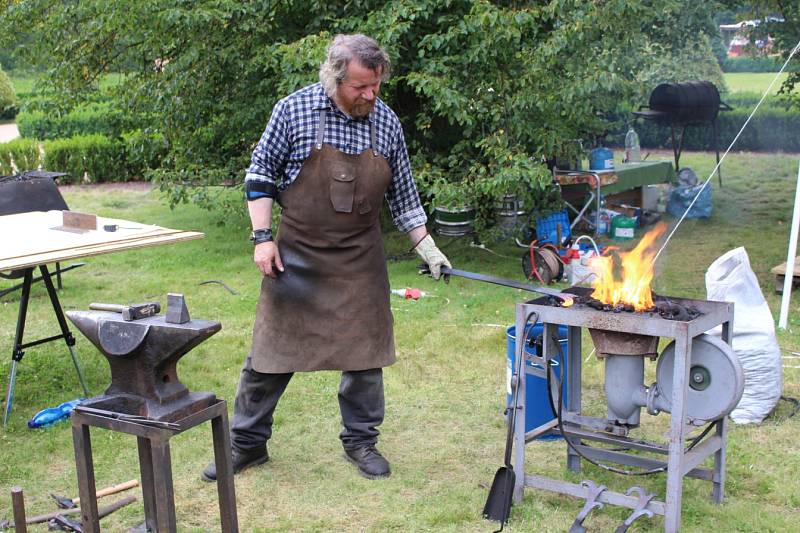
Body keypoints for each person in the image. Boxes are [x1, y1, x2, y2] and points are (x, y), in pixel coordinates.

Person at [202, 34, 451, 482]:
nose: (370, 95)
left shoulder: (387, 123)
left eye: (376, 86)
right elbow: (260, 177)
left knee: (365, 355)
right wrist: (262, 238)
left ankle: (361, 442)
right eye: (360, 87)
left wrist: (428, 248)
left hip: (359, 261)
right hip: (296, 259)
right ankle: (246, 445)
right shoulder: (293, 111)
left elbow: (405, 199)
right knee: (269, 355)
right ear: (334, 77)